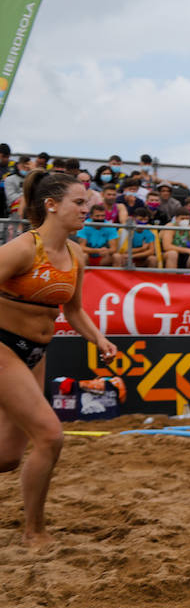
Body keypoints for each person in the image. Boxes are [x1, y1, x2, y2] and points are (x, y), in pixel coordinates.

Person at [0, 170, 118, 547]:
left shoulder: (75, 254)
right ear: (51, 205)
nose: (89, 209)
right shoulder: (22, 249)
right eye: (79, 203)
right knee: (51, 436)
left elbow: (75, 311)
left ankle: (33, 528)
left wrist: (99, 339)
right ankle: (34, 532)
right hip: (2, 348)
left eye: (88, 203)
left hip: (34, 354)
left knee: (6, 458)